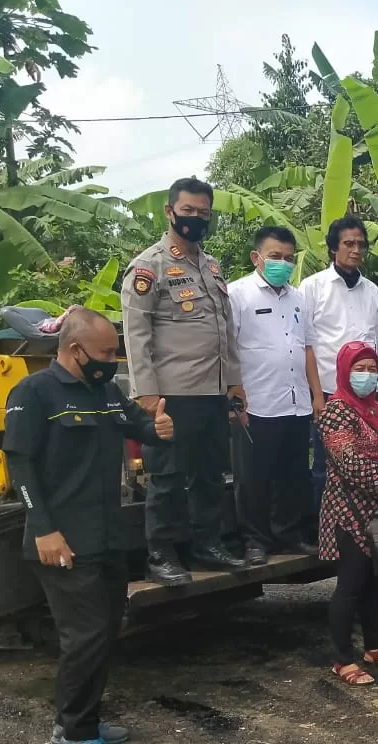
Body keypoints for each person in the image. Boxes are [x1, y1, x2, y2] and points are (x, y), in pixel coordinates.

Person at [3, 308, 175, 744]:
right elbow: (20, 467)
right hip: (61, 542)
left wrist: (157, 429)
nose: (111, 360)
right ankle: (74, 733)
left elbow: (137, 428)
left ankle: (82, 718)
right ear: (75, 350)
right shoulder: (34, 394)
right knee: (83, 638)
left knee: (106, 631)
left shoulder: (105, 391)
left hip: (106, 538)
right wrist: (44, 529)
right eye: (104, 353)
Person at [121, 176, 247, 585]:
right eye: (188, 211)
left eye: (203, 213)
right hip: (171, 394)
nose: (195, 219)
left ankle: (206, 546)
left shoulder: (212, 267)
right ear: (170, 211)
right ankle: (161, 553)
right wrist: (147, 393)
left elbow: (225, 331)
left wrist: (233, 382)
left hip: (212, 392)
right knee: (168, 477)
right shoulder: (148, 267)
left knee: (210, 474)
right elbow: (136, 335)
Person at [317, 341, 378, 686]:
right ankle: (342, 658)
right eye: (359, 369)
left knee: (376, 581)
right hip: (350, 511)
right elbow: (347, 463)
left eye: (372, 369)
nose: (367, 375)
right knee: (351, 584)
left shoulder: (377, 410)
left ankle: (375, 647)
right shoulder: (336, 411)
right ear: (344, 372)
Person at [227, 225, 322, 565]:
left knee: (293, 472)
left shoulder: (299, 298)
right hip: (256, 402)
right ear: (257, 258)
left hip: (295, 402)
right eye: (275, 257)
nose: (282, 263)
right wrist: (233, 397)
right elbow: (227, 349)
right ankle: (255, 540)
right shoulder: (237, 294)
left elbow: (307, 347)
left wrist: (316, 394)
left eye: (288, 258)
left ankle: (290, 535)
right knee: (252, 477)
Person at [300, 216, 378, 511]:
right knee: (327, 466)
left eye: (361, 245)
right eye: (348, 243)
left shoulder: (373, 292)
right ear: (333, 249)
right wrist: (316, 395)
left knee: (369, 461)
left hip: (367, 396)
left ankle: (365, 528)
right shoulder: (313, 287)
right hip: (329, 394)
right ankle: (323, 533)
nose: (356, 250)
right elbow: (306, 344)